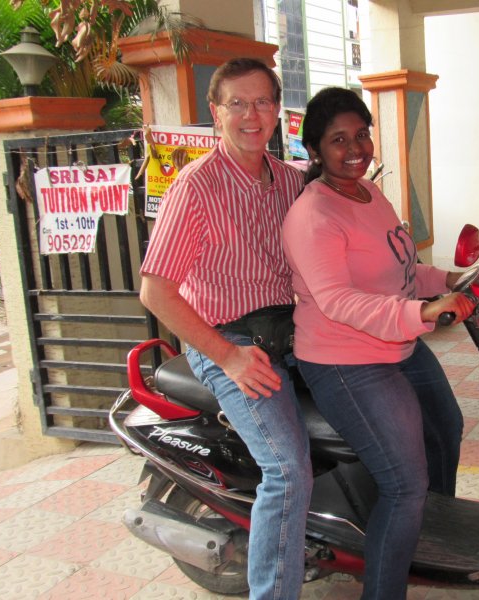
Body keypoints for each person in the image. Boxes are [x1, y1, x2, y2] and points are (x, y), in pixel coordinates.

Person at [281, 87, 475, 600]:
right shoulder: (313, 215)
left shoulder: (371, 194)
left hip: (396, 344)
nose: (355, 147)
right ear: (316, 149)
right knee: (404, 485)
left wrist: (453, 279)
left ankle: (423, 539)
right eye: (338, 139)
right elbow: (338, 301)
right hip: (346, 361)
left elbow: (404, 268)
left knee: (446, 429)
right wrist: (421, 314)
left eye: (362, 134)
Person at [139, 58, 311, 600]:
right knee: (286, 469)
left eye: (263, 102)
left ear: (278, 112)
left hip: (291, 330)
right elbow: (156, 290)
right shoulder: (197, 186)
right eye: (238, 103)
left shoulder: (292, 182)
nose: (252, 114)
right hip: (228, 340)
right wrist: (230, 357)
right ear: (216, 113)